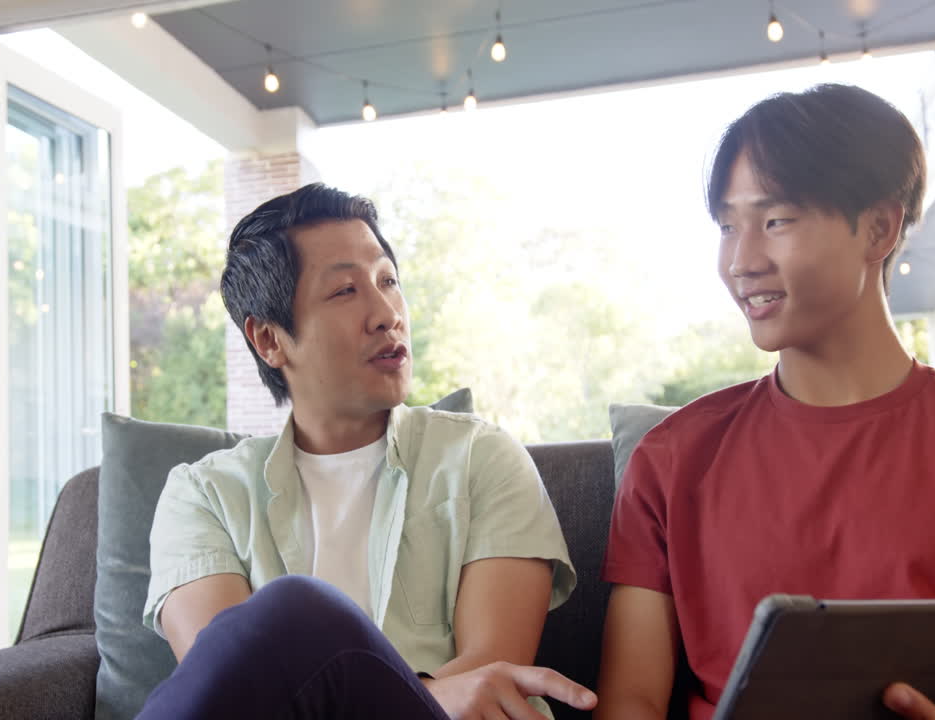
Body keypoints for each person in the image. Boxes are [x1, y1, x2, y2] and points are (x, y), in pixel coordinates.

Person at [595, 83, 935, 719]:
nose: (741, 260)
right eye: (728, 226)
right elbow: (632, 706)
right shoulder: (674, 460)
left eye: (775, 220)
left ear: (878, 227)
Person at [137, 183, 597, 720]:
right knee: (288, 614)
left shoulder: (482, 458)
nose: (386, 314)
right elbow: (229, 690)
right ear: (268, 339)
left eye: (388, 281)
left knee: (294, 610)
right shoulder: (203, 496)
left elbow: (488, 681)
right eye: (345, 292)